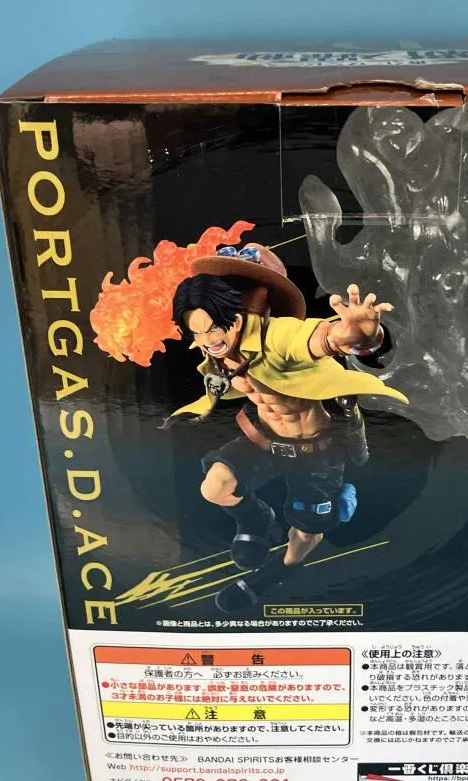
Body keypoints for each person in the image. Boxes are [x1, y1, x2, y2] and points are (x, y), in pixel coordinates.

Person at [168, 243, 406, 612]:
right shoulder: (212, 343)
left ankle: (271, 575)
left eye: (215, 327)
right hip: (263, 439)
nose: (208, 340)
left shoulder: (279, 335)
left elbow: (322, 338)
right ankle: (255, 519)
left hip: (316, 450)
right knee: (215, 487)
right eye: (197, 332)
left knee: (306, 535)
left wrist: (360, 334)